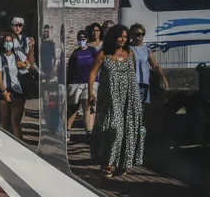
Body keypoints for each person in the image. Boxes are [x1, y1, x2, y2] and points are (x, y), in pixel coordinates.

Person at [89, 24, 144, 178]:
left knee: (127, 130)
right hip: (110, 98)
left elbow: (132, 76)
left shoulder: (130, 53)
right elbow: (93, 73)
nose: (123, 39)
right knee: (112, 129)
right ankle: (106, 162)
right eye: (120, 36)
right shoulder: (103, 54)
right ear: (113, 37)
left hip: (128, 98)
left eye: (125, 37)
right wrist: (90, 93)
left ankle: (122, 162)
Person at [66, 30, 99, 143]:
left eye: (84, 38)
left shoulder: (92, 51)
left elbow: (97, 66)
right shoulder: (75, 53)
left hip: (89, 82)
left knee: (87, 104)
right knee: (73, 108)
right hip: (75, 83)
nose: (82, 41)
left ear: (87, 39)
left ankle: (89, 132)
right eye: (80, 39)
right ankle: (67, 130)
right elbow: (70, 70)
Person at [0, 33, 27, 139]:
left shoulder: (17, 55)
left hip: (17, 90)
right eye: (6, 41)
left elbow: (30, 65)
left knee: (15, 120)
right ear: (3, 43)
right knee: (5, 120)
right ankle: (2, 143)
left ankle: (19, 145)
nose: (8, 43)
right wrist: (4, 92)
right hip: (5, 90)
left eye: (10, 41)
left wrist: (25, 64)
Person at [129, 23, 169, 105]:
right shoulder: (128, 49)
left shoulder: (147, 50)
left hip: (144, 83)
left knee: (144, 109)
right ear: (132, 35)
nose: (140, 36)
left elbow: (154, 65)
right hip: (131, 84)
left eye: (142, 34)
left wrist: (163, 78)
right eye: (137, 34)